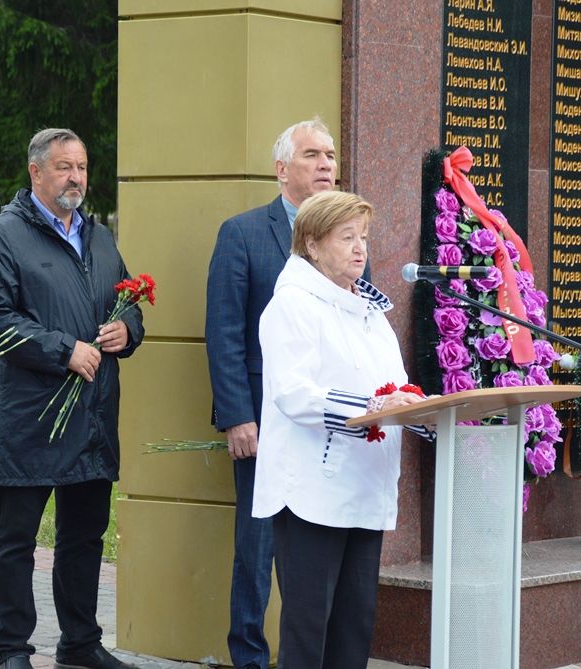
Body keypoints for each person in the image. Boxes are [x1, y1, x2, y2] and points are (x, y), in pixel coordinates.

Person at [0, 128, 145, 669]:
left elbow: (126, 300)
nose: (76, 178)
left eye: (83, 167)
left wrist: (128, 331)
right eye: (65, 167)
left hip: (91, 414)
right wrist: (61, 349)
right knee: (17, 539)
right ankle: (13, 650)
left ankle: (80, 643)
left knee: (83, 536)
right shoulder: (1, 234)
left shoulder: (98, 237)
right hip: (31, 415)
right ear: (36, 172)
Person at [253, 190, 428, 669]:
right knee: (309, 630)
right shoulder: (291, 305)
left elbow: (394, 389)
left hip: (365, 489)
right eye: (346, 237)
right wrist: (372, 406)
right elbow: (293, 393)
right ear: (311, 244)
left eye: (364, 237)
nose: (360, 248)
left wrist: (423, 412)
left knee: (354, 627)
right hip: (313, 491)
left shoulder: (371, 314)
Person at [204, 117, 339, 669]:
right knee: (258, 550)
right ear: (282, 169)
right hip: (262, 422)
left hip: (329, 423)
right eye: (312, 155)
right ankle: (250, 658)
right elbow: (224, 333)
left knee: (319, 550)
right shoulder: (242, 234)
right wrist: (238, 416)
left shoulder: (345, 238)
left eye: (330, 155)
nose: (326, 165)